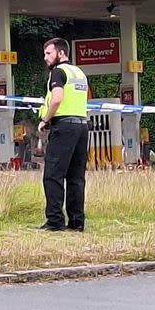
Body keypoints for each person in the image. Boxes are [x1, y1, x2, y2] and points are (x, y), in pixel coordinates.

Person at [37, 37, 90, 232]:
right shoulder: (79, 73)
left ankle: (55, 221)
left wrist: (45, 120)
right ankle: (77, 222)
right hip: (82, 127)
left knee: (53, 175)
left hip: (64, 127)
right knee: (76, 177)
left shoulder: (58, 72)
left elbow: (57, 99)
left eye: (48, 53)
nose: (45, 58)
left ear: (60, 53)